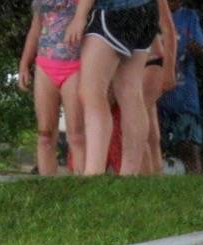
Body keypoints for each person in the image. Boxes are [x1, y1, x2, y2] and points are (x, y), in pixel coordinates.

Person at [66, 0, 159, 175]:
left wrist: (80, 16)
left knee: (91, 91)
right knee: (130, 91)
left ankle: (93, 172)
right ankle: (129, 174)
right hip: (146, 10)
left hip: (113, 9)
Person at [20, 0, 87, 175]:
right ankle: (47, 185)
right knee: (45, 135)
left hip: (75, 65)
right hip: (44, 65)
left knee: (77, 136)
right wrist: (24, 63)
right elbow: (36, 27)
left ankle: (85, 186)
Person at [156, 0, 203, 174]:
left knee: (189, 146)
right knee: (155, 143)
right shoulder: (153, 14)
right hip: (156, 96)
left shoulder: (189, 17)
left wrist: (196, 48)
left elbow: (202, 50)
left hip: (184, 97)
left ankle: (195, 187)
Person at [140, 0, 179, 174]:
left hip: (153, 63)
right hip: (142, 64)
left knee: (133, 124)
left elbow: (169, 29)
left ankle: (144, 177)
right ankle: (156, 178)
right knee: (150, 133)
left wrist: (169, 70)